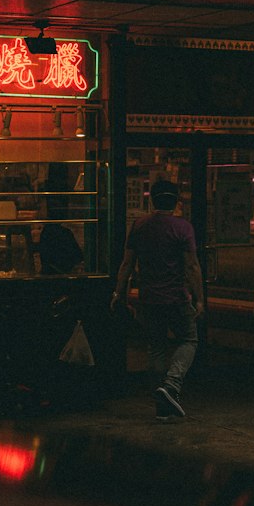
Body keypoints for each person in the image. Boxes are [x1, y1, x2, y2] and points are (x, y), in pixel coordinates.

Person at [110, 178, 204, 420]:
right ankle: (172, 385)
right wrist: (200, 298)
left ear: (151, 199)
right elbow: (192, 266)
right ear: (176, 201)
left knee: (156, 348)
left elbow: (127, 264)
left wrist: (119, 292)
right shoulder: (183, 228)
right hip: (176, 297)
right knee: (189, 340)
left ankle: (162, 405)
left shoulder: (139, 226)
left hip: (148, 298)